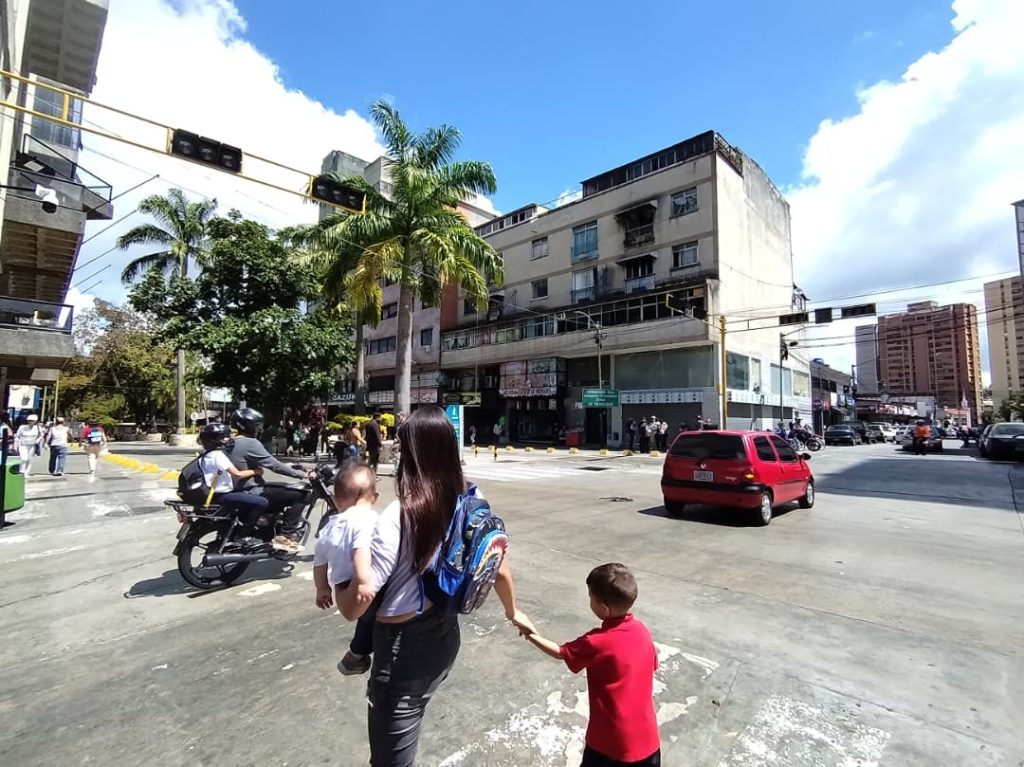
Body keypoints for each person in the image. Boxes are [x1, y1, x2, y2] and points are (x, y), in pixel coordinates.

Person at [333, 405, 529, 766]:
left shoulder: (398, 514)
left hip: (400, 651)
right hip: (444, 636)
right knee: (416, 710)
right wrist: (513, 612)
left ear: (409, 454)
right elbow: (498, 566)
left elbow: (353, 607)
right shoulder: (472, 496)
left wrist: (337, 570)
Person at [517, 563, 660, 767]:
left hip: (611, 744)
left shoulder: (597, 641)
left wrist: (530, 634)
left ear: (604, 609)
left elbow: (560, 652)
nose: (589, 601)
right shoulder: (642, 631)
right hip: (648, 742)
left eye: (590, 597)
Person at [313, 463, 380, 675]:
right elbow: (360, 550)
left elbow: (319, 562)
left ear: (334, 500)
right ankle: (356, 655)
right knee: (371, 615)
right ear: (374, 498)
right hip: (360, 580)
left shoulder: (328, 527)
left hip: (341, 582)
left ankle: (357, 656)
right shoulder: (367, 519)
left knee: (366, 618)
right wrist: (362, 580)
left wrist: (322, 589)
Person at [226, 407, 315, 553]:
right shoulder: (250, 443)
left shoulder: (229, 442)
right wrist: (303, 475)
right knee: (303, 493)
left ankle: (267, 526)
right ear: (247, 426)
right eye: (256, 426)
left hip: (234, 491)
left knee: (279, 490)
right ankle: (287, 535)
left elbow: (264, 461)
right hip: (251, 490)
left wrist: (286, 466)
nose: (259, 430)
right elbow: (274, 466)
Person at [197, 423, 269, 531]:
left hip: (210, 494)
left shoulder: (204, 455)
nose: (227, 439)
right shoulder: (218, 455)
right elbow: (237, 474)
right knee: (262, 502)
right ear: (213, 440)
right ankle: (243, 532)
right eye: (223, 437)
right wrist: (256, 471)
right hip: (222, 495)